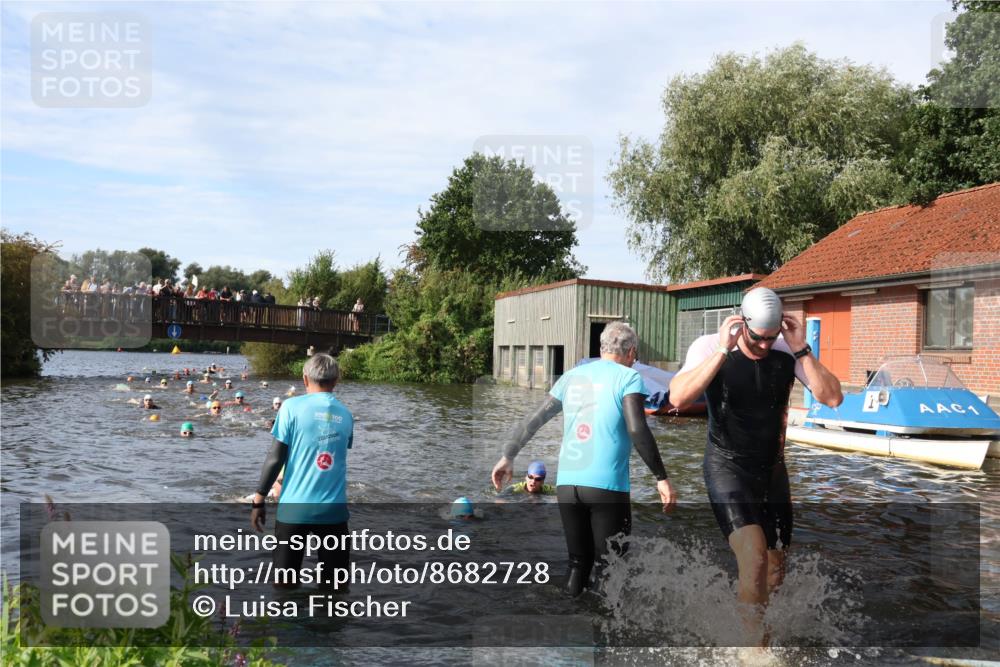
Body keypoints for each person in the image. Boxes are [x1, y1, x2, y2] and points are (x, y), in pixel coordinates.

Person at [668, 287, 843, 645]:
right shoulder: (708, 346)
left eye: (770, 336)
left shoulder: (787, 349)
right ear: (742, 323)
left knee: (775, 571)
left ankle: (761, 632)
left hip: (772, 472)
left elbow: (833, 397)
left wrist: (801, 348)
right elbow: (678, 398)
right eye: (757, 337)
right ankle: (752, 653)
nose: (764, 345)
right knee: (753, 557)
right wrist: (722, 351)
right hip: (726, 467)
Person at [492, 321, 676, 596]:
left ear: (601, 349)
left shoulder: (572, 376)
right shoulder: (629, 377)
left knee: (578, 564)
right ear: (631, 353)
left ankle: (568, 617)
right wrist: (661, 477)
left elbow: (535, 419)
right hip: (606, 487)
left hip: (567, 486)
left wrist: (508, 456)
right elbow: (637, 429)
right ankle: (601, 623)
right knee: (610, 568)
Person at [251, 354, 355, 592]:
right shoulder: (347, 415)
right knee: (335, 587)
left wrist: (258, 500)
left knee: (284, 585)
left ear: (305, 379)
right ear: (336, 380)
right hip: (334, 511)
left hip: (294, 510)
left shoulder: (290, 407)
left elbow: (275, 458)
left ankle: (287, 615)